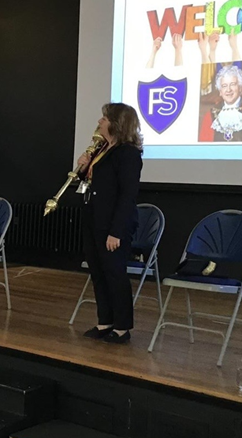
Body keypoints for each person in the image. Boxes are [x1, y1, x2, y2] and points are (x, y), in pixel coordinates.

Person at [76, 103, 143, 344]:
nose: (100, 121)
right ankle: (105, 322)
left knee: (114, 274)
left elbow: (127, 195)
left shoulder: (128, 154)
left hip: (113, 224)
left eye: (104, 117)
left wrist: (116, 231)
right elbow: (94, 182)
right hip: (94, 219)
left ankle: (122, 327)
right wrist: (84, 167)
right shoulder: (102, 149)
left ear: (117, 123)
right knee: (98, 272)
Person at [199, 63, 242, 142]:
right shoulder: (210, 116)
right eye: (224, 86)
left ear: (240, 88)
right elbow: (205, 150)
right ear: (220, 91)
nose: (228, 90)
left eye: (233, 84)